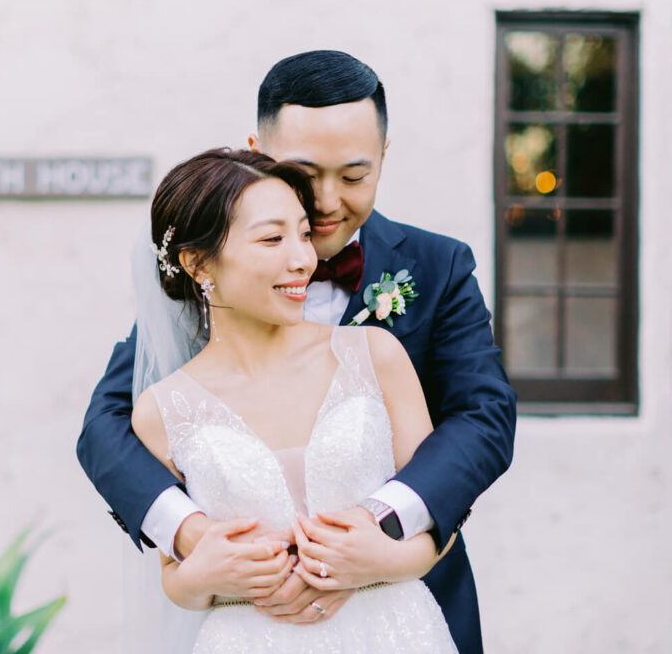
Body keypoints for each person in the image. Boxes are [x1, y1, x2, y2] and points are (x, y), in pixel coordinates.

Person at [77, 50, 517, 653]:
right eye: (306, 175)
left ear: (384, 156)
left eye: (355, 176)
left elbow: (482, 420)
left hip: (402, 610)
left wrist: (380, 527)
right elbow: (106, 427)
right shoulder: (215, 270)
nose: (328, 201)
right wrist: (197, 540)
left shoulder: (437, 267)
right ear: (258, 149)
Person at [131, 147, 458, 652]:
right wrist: (207, 575)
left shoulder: (375, 354)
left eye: (305, 234)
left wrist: (375, 562)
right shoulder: (162, 410)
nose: (304, 258)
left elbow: (441, 520)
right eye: (272, 238)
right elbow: (175, 578)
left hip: (395, 632)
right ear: (197, 263)